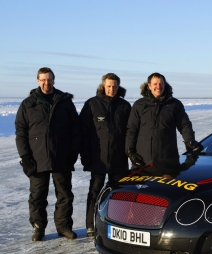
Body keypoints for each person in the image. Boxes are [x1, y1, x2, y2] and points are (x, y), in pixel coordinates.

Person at [15, 67, 81, 241]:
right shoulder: (28, 104)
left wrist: (73, 152)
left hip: (61, 156)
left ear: (54, 80)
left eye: (49, 79)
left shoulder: (64, 101)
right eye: (43, 80)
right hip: (37, 158)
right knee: (37, 196)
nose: (46, 83)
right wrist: (25, 157)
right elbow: (21, 132)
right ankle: (38, 228)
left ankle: (64, 227)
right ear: (37, 81)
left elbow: (75, 129)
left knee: (65, 195)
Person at [80, 73, 131, 237]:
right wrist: (85, 154)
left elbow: (131, 132)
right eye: (109, 86)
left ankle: (118, 224)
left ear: (118, 86)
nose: (112, 89)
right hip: (98, 157)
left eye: (115, 86)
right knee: (95, 190)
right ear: (103, 86)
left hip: (119, 157)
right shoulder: (92, 104)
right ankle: (91, 224)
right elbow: (83, 131)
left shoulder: (124, 106)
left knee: (118, 192)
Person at [126, 73, 201, 175]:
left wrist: (190, 141)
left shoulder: (174, 104)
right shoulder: (139, 105)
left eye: (161, 83)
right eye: (155, 84)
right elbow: (132, 129)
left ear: (165, 85)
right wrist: (130, 152)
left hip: (167, 160)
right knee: (141, 190)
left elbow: (184, 125)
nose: (158, 86)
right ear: (149, 86)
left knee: (166, 191)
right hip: (143, 161)